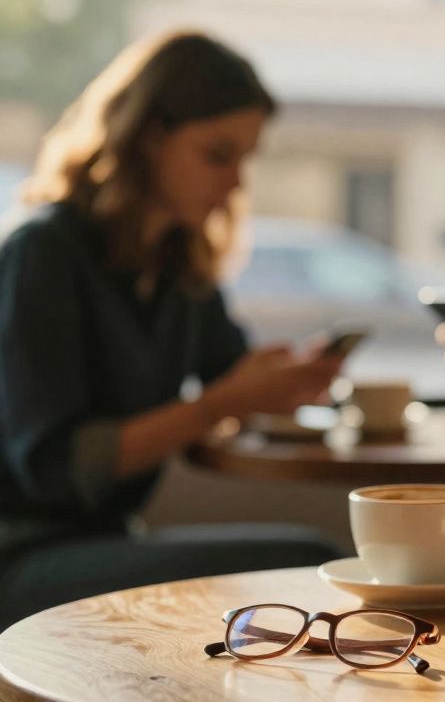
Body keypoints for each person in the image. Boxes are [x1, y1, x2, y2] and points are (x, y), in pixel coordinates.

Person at [0, 31, 346, 629]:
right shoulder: (45, 253)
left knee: (313, 567)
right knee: (311, 564)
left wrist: (286, 385)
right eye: (219, 155)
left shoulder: (177, 263)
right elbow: (59, 467)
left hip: (109, 539)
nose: (236, 182)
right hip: (24, 555)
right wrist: (223, 403)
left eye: (245, 159)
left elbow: (229, 373)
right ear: (148, 138)